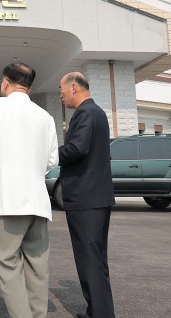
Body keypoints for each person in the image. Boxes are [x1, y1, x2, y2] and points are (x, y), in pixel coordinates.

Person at [0, 63, 59, 318]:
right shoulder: (45, 116)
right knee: (37, 268)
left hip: (5, 199)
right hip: (37, 202)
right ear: (30, 87)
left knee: (8, 265)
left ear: (5, 81)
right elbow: (52, 160)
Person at [58, 72, 116, 318]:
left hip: (86, 199)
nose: (60, 95)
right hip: (96, 198)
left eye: (61, 90)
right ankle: (97, 311)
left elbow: (76, 148)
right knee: (96, 260)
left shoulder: (85, 113)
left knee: (89, 261)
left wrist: (47, 153)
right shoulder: (98, 113)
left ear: (73, 88)